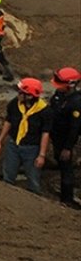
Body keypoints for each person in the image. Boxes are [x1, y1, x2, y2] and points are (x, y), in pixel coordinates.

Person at [0, 78, 53, 195]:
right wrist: (0, 141)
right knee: (8, 175)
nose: (18, 95)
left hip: (32, 148)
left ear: (30, 96)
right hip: (13, 145)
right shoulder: (14, 104)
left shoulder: (44, 111)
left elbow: (45, 133)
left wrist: (41, 155)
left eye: (21, 93)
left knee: (33, 179)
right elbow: (8, 122)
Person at [47, 67, 80, 207]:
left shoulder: (76, 102)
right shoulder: (58, 95)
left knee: (66, 167)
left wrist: (68, 147)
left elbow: (75, 127)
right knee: (59, 162)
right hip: (55, 134)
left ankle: (67, 199)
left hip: (66, 138)